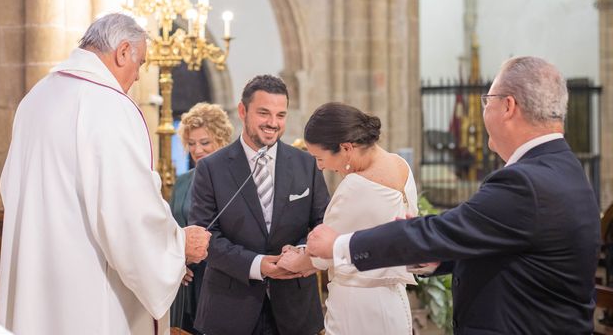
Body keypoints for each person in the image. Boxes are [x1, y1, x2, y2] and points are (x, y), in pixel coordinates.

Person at [307, 56, 601, 335]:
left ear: (508, 106)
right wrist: (436, 260)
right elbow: (501, 247)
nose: (484, 109)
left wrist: (341, 245)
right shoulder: (565, 168)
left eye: (487, 100)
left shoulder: (526, 182)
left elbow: (443, 230)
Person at [0, 13, 211, 335]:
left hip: (36, 280)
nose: (138, 77)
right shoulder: (109, 105)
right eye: (139, 63)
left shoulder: (35, 98)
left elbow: (8, 187)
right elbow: (127, 214)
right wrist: (178, 246)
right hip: (89, 291)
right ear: (123, 51)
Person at [190, 74, 330, 335]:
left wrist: (299, 255)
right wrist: (257, 264)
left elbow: (323, 224)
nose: (273, 123)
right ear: (242, 111)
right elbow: (204, 236)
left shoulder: (307, 164)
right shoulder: (211, 168)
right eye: (264, 113)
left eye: (280, 115)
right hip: (230, 308)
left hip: (296, 310)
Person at [277, 102, 418, 334]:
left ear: (345, 148)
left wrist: (294, 261)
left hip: (359, 304)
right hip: (393, 300)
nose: (320, 167)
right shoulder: (400, 165)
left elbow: (325, 251)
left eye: (319, 158)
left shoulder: (355, 185)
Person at [169, 102, 234, 333]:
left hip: (219, 280)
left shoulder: (234, 182)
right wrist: (176, 262)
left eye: (205, 142)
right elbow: (172, 230)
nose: (197, 150)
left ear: (221, 140)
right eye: (192, 143)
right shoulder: (183, 182)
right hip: (184, 283)